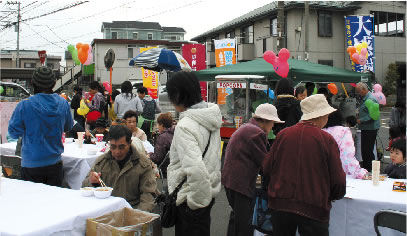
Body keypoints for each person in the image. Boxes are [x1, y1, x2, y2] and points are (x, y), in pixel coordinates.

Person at [263, 94, 346, 236]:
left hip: (281, 204)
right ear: (321, 116)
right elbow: (338, 180)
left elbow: (266, 168)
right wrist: (330, 195)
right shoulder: (326, 140)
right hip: (313, 206)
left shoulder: (283, 135)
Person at [166, 71, 222, 236]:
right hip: (208, 193)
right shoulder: (211, 117)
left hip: (192, 200)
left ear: (178, 96)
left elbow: (195, 169)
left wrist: (194, 204)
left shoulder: (185, 126)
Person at [222, 103, 284, 236]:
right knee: (244, 223)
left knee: (237, 218)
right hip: (240, 184)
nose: (273, 126)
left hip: (232, 181)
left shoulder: (248, 128)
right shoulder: (256, 133)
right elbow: (265, 164)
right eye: (272, 122)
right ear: (266, 121)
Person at [8, 66, 73, 186]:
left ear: (33, 83)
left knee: (33, 202)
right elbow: (68, 126)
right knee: (52, 202)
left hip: (31, 165)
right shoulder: (63, 103)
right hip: (55, 164)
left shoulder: (24, 105)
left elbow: (13, 133)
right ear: (54, 83)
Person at [82, 125, 157, 211]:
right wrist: (92, 182)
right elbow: (84, 187)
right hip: (106, 210)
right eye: (113, 147)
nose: (117, 152)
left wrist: (138, 216)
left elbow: (148, 194)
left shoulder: (142, 163)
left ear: (130, 143)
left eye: (121, 147)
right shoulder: (102, 162)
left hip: (132, 210)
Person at [323, 109, 368, 179]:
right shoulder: (343, 131)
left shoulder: (318, 132)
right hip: (339, 173)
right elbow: (348, 155)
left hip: (320, 175)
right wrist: (358, 173)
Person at [356, 82, 380, 172]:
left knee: (367, 150)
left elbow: (373, 116)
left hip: (370, 128)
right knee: (366, 150)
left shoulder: (370, 99)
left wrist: (361, 120)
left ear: (364, 89)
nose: (358, 93)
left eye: (359, 91)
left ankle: (370, 168)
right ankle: (368, 167)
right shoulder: (366, 98)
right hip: (366, 128)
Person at [149, 112, 175, 179]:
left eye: (158, 125)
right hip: (175, 166)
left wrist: (149, 154)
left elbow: (157, 158)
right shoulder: (175, 133)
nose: (157, 127)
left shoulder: (162, 137)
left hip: (165, 169)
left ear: (162, 125)